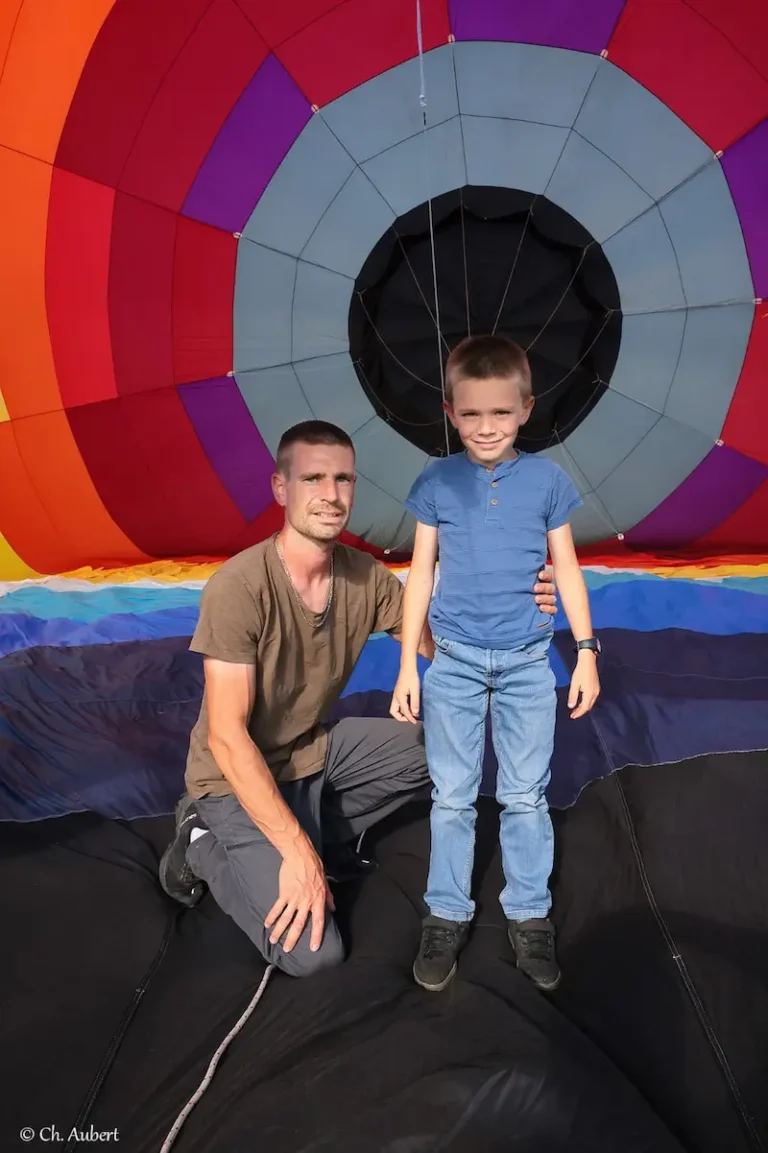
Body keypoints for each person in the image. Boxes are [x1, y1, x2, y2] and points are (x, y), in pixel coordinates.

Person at [159, 419, 560, 978]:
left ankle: (313, 828)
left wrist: (519, 600)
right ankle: (199, 839)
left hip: (311, 752)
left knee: (442, 748)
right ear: (281, 488)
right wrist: (299, 854)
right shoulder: (240, 587)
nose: (330, 495)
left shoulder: (362, 576)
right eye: (313, 478)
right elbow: (227, 738)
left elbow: (443, 648)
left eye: (343, 479)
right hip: (232, 778)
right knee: (314, 955)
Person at [390, 335, 600, 994]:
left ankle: (530, 912)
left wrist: (587, 651)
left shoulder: (547, 480)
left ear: (526, 409)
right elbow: (419, 572)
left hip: (527, 659)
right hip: (450, 661)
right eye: (473, 414)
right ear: (451, 412)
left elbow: (565, 565)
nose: (487, 428)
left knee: (523, 795)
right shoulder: (437, 480)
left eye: (501, 414)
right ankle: (447, 909)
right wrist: (405, 664)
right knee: (451, 795)